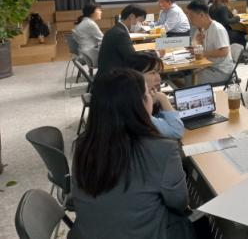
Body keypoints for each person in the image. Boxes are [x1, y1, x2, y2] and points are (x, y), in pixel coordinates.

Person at [71, 69, 194, 239]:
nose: (151, 97)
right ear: (140, 105)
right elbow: (180, 204)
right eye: (147, 93)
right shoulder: (163, 150)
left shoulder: (82, 145)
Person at [127, 52, 185, 140]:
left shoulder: (142, 97)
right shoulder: (135, 109)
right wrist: (162, 98)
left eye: (159, 73)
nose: (159, 79)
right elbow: (177, 131)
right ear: (135, 75)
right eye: (152, 73)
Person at [186, 1, 234, 85]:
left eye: (191, 16)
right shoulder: (200, 29)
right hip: (207, 66)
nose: (190, 20)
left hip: (221, 70)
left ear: (201, 15)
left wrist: (203, 53)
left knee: (189, 80)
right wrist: (197, 42)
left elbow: (224, 52)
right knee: (185, 75)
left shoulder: (217, 29)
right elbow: (196, 51)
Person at [96, 4, 146, 79]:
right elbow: (133, 59)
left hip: (108, 74)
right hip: (113, 79)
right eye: (140, 21)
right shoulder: (121, 34)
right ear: (132, 16)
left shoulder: (115, 29)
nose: (140, 25)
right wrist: (156, 54)